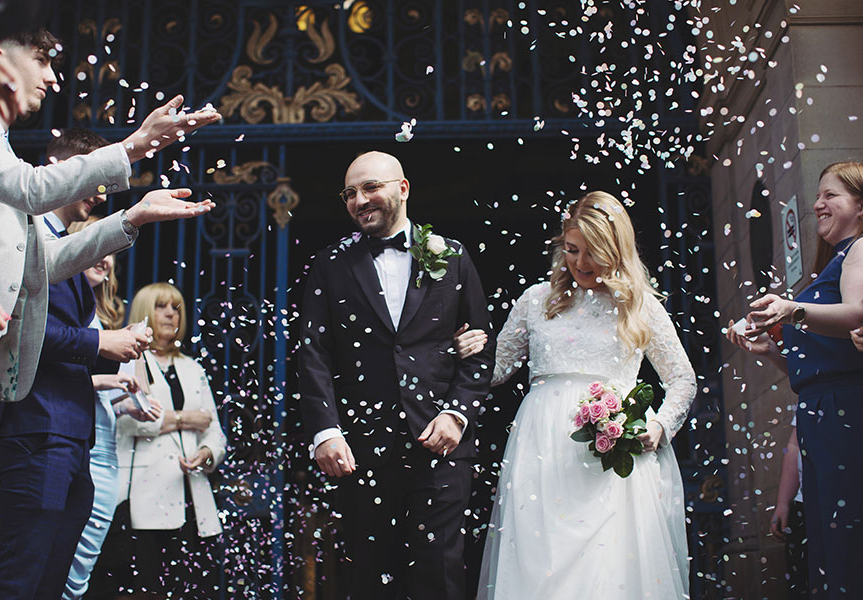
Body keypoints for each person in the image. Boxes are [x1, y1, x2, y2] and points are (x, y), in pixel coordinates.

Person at [0, 27, 220, 511]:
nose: (53, 77)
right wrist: (133, 147)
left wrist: (132, 217)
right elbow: (30, 189)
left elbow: (49, 261)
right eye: (41, 60)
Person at [454, 191, 696, 599]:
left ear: (616, 250)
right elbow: (495, 372)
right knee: (538, 558)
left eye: (593, 252)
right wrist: (467, 351)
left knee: (611, 563)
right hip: (541, 448)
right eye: (572, 250)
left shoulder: (639, 307)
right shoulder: (536, 299)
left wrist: (658, 426)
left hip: (612, 452)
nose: (581, 263)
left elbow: (683, 379)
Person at [0, 129, 182, 599]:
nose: (100, 190)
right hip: (37, 429)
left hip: (74, 436)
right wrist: (100, 343)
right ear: (56, 169)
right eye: (91, 177)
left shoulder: (67, 249)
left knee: (52, 580)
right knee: (19, 576)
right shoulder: (19, 239)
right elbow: (15, 325)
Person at [298, 151, 495, 599]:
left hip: (440, 447)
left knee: (440, 575)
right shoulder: (330, 265)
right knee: (369, 577)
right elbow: (313, 354)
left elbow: (481, 348)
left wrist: (457, 415)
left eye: (370, 188)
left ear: (402, 188)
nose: (359, 200)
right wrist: (326, 432)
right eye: (350, 193)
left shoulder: (454, 257)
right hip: (361, 450)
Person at [726, 161, 863, 598]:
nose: (818, 204)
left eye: (831, 196)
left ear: (860, 206)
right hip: (819, 411)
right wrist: (771, 353)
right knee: (826, 537)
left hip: (845, 409)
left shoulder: (859, 250)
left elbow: (858, 313)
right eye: (818, 196)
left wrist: (791, 310)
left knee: (846, 535)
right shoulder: (832, 263)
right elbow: (821, 362)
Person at [112, 282, 226, 598]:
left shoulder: (193, 368)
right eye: (162, 306)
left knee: (191, 589)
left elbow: (214, 429)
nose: (170, 314)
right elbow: (127, 422)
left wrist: (207, 452)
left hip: (192, 498)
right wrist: (186, 419)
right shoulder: (128, 362)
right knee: (146, 590)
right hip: (145, 499)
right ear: (144, 311)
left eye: (176, 308)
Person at [771, 418, 808, 600]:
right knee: (802, 581)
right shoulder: (806, 395)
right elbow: (794, 446)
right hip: (804, 505)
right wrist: (783, 502)